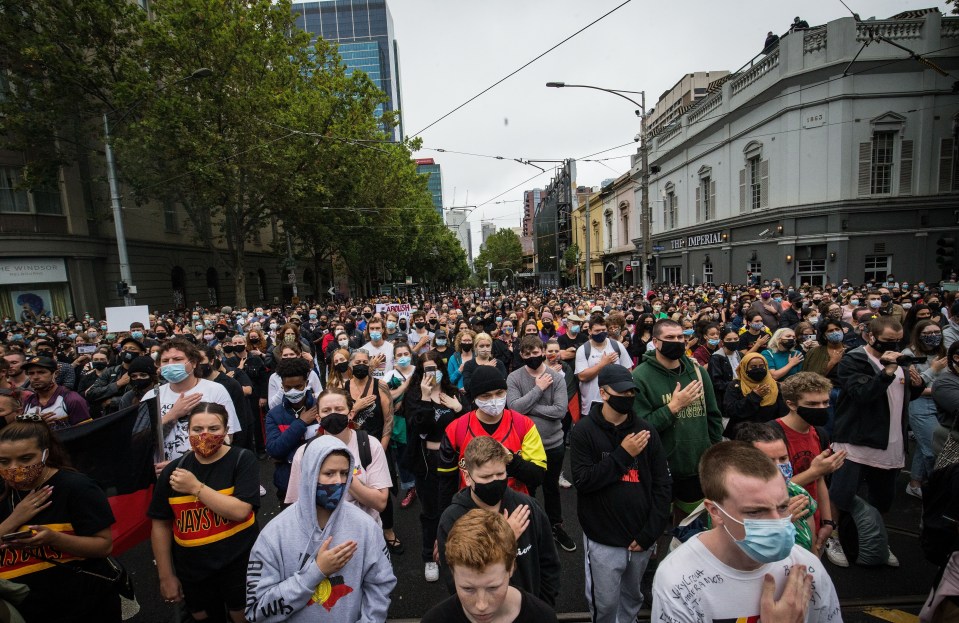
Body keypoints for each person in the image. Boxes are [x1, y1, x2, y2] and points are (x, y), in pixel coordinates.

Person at [652, 441, 841, 623]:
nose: (778, 522)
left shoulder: (807, 567)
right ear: (715, 512)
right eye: (755, 512)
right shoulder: (678, 580)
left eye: (783, 507)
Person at [245, 435, 396, 623]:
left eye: (344, 473)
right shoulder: (274, 535)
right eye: (329, 473)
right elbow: (257, 611)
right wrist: (315, 572)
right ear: (310, 473)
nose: (338, 481)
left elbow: (380, 585)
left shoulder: (366, 527)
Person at [570, 365, 671, 623]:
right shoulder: (584, 431)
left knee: (632, 597)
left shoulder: (646, 430)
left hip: (641, 537)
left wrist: (651, 531)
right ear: (603, 393)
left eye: (632, 392)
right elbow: (584, 480)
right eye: (622, 392)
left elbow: (661, 484)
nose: (629, 397)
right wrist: (623, 455)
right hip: (603, 538)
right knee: (604, 603)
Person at [0, 415, 120, 622]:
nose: (14, 467)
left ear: (46, 453)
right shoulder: (3, 493)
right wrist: (13, 519)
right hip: (27, 610)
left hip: (84, 606)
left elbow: (103, 546)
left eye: (26, 459)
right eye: (4, 461)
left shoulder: (76, 487)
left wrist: (54, 538)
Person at [149, 402, 258, 622]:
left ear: (226, 430)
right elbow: (160, 524)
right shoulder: (174, 471)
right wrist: (166, 576)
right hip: (193, 571)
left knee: (243, 616)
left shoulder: (241, 460)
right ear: (187, 431)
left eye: (214, 429)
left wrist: (195, 488)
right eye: (197, 430)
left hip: (239, 565)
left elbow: (240, 511)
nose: (205, 435)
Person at [831, 316, 925, 566]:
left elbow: (899, 396)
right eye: (887, 342)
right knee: (842, 493)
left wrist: (916, 385)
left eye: (897, 342)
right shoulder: (854, 359)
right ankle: (834, 536)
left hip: (891, 442)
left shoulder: (900, 361)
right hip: (855, 441)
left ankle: (876, 539)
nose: (893, 347)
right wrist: (887, 371)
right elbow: (862, 393)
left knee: (882, 498)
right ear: (870, 336)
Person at [437, 437, 560, 605]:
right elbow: (457, 581)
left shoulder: (527, 507)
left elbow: (549, 563)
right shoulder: (452, 519)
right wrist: (505, 537)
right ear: (467, 476)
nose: (495, 481)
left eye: (500, 474)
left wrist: (541, 607)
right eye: (486, 476)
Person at [632, 319, 722, 519]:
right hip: (660, 467)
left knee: (690, 524)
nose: (678, 341)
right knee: (656, 521)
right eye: (670, 338)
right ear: (655, 342)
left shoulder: (697, 371)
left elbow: (713, 416)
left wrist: (714, 452)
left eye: (681, 337)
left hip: (696, 465)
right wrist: (673, 407)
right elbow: (642, 427)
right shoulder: (640, 377)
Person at [284, 389, 395, 546]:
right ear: (318, 418)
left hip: (366, 538)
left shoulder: (369, 445)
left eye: (339, 409)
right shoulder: (305, 454)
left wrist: (343, 474)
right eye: (326, 411)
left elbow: (380, 503)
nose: (333, 414)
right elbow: (297, 506)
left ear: (350, 413)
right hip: (324, 543)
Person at [438, 366, 546, 509]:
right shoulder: (456, 429)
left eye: (499, 393)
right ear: (475, 398)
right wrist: (449, 516)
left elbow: (537, 476)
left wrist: (511, 460)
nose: (494, 400)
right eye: (486, 396)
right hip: (471, 510)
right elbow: (446, 482)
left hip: (515, 507)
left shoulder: (524, 425)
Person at [423, 509, 558, 623]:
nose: (481, 605)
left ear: (511, 568)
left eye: (493, 588)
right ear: (452, 571)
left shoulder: (543, 618)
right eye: (468, 589)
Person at [505, 335, 573, 552]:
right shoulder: (514, 377)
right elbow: (513, 409)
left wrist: (528, 407)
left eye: (536, 353)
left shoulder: (557, 377)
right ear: (521, 355)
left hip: (553, 443)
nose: (532, 357)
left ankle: (556, 526)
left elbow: (560, 411)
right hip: (525, 446)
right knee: (527, 489)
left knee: (551, 487)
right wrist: (538, 390)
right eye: (527, 354)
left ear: (542, 352)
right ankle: (528, 528)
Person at [404, 352, 467, 581]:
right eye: (428, 369)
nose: (433, 373)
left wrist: (458, 408)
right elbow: (419, 426)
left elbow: (468, 424)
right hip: (428, 462)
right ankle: (430, 556)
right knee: (430, 511)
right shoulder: (414, 395)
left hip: (454, 460)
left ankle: (454, 551)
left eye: (436, 368)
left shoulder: (452, 393)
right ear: (421, 373)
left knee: (455, 507)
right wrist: (424, 396)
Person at [775, 372, 848, 566]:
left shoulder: (820, 433)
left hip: (813, 520)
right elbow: (767, 490)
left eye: (825, 403)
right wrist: (814, 472)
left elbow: (820, 480)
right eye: (813, 405)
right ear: (791, 404)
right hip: (786, 521)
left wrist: (827, 522)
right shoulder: (772, 436)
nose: (822, 408)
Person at [142, 339, 242, 471]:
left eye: (177, 359)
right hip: (161, 476)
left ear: (193, 363)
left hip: (205, 471)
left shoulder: (215, 390)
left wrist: (180, 464)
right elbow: (140, 441)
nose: (170, 365)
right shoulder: (151, 396)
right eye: (165, 361)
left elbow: (227, 437)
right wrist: (172, 415)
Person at [735, 423, 818, 553]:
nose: (778, 467)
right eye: (768, 461)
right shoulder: (730, 501)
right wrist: (778, 524)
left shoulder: (798, 493)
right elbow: (733, 555)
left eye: (783, 458)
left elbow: (812, 551)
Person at [902, 319, 947, 498]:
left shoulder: (943, 353)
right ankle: (937, 490)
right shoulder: (908, 354)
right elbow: (911, 388)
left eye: (936, 333)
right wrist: (933, 371)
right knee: (933, 451)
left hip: (941, 405)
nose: (933, 337)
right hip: (920, 405)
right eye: (927, 334)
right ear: (918, 335)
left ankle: (915, 483)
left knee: (924, 445)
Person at [265, 357, 320, 502]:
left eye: (298, 386)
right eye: (288, 388)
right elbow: (274, 449)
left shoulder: (321, 408)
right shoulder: (274, 415)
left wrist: (287, 450)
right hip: (288, 486)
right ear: (282, 386)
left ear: (307, 384)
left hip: (319, 483)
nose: (293, 391)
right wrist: (301, 423)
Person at [574, 314, 632, 415]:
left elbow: (628, 371)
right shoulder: (583, 350)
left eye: (603, 330)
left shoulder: (617, 346)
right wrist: (603, 364)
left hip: (615, 402)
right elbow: (582, 376)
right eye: (597, 331)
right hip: (590, 404)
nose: (601, 333)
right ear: (590, 331)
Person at [724, 352, 789, 439]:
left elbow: (783, 414)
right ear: (744, 368)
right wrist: (754, 396)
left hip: (770, 434)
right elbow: (731, 410)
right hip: (742, 435)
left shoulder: (775, 386)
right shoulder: (735, 386)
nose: (758, 369)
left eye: (761, 366)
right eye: (753, 367)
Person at [20, 356, 91, 429]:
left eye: (41, 372)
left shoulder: (72, 399)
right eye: (31, 373)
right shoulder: (28, 401)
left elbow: (85, 432)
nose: (35, 377)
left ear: (55, 374)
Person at [461, 332, 506, 402]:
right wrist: (484, 369)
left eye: (488, 346)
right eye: (481, 346)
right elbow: (467, 386)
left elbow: (502, 385)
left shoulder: (498, 363)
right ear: (476, 347)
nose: (485, 349)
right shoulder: (469, 364)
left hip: (495, 400)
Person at [360, 317, 394, 381]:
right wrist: (371, 367)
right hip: (371, 387)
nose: (375, 331)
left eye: (378, 328)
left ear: (383, 330)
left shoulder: (392, 348)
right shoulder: (362, 350)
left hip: (388, 387)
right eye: (372, 328)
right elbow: (360, 375)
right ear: (368, 330)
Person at [447, 329, 475, 394]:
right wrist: (459, 371)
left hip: (475, 393)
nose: (467, 343)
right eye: (464, 340)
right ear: (460, 342)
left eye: (469, 340)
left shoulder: (477, 357)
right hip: (460, 394)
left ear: (473, 341)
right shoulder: (453, 358)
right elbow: (450, 380)